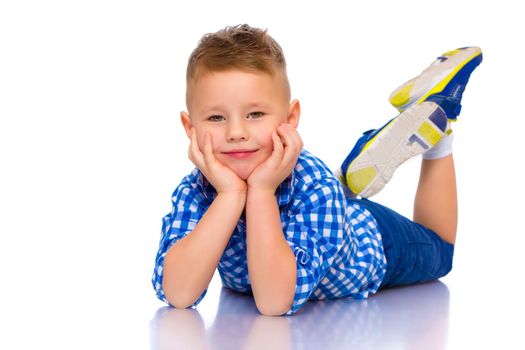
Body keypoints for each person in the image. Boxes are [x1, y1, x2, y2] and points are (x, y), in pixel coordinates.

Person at [151, 24, 482, 316]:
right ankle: (346, 184)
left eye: (254, 115)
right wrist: (230, 193)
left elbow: (273, 302)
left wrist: (262, 191)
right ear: (189, 126)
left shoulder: (313, 185)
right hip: (323, 213)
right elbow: (178, 294)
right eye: (216, 118)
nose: (236, 132)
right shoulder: (196, 190)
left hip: (376, 243)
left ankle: (439, 133)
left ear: (290, 118)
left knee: (441, 252)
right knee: (322, 199)